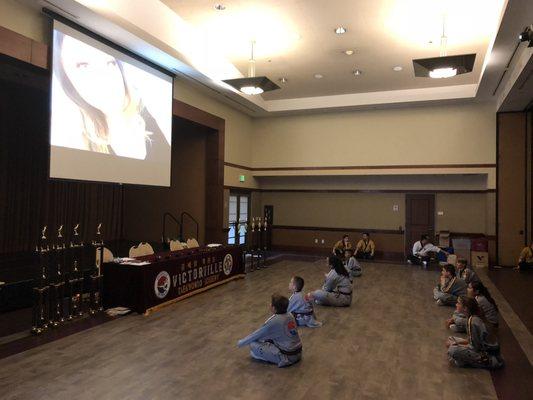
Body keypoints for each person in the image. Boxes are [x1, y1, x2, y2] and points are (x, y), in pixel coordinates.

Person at [51, 30, 170, 161]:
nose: (104, 78)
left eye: (110, 63)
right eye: (83, 66)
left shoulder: (151, 106)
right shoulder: (74, 138)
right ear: (66, 78)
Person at [237, 294, 302, 368]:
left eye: (271, 303)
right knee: (267, 339)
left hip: (287, 357)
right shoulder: (290, 315)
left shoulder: (274, 321)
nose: (269, 304)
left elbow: (257, 334)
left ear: (274, 308)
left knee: (253, 344)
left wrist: (241, 342)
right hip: (298, 352)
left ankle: (267, 357)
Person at [446, 296, 504, 369]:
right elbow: (472, 341)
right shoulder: (473, 317)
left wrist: (457, 345)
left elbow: (475, 347)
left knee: (453, 350)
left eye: (458, 303)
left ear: (465, 308)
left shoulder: (473, 321)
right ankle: (463, 359)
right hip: (481, 348)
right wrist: (457, 343)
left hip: (489, 357)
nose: (456, 304)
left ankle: (466, 361)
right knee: (451, 339)